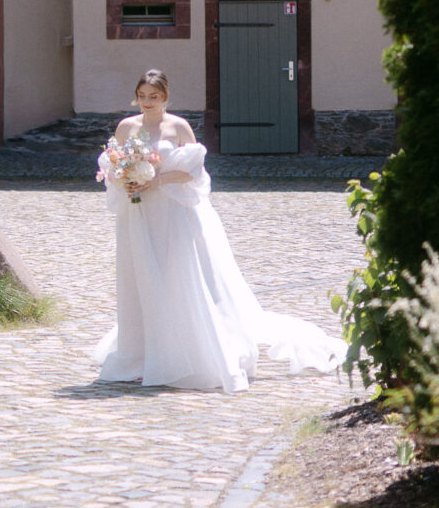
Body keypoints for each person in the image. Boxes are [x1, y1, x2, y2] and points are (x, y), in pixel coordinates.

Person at [94, 69, 347, 393]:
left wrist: (156, 179)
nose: (147, 103)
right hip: (139, 213)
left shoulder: (178, 126)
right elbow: (113, 165)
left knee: (175, 275)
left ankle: (177, 353)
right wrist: (126, 179)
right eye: (142, 96)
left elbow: (193, 172)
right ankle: (141, 355)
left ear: (166, 97)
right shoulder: (127, 126)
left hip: (172, 213)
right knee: (140, 277)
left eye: (154, 97)